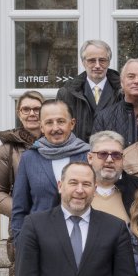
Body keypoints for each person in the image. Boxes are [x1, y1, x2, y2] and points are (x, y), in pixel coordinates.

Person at [10, 99, 91, 241]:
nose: (55, 128)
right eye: (49, 123)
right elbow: (19, 208)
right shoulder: (29, 158)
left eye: (61, 121)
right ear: (41, 127)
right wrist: (21, 243)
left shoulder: (88, 155)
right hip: (40, 240)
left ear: (72, 124)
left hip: (81, 238)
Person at [0, 90, 43, 222]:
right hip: (23, 225)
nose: (32, 114)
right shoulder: (7, 150)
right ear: (19, 113)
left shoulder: (57, 145)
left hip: (54, 223)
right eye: (26, 109)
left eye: (37, 109)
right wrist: (22, 212)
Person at [56, 39, 119, 140]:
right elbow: (59, 126)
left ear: (109, 62)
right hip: (78, 153)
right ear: (83, 62)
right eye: (92, 60)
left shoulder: (122, 91)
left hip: (112, 153)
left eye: (102, 60)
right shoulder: (66, 93)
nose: (97, 65)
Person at [91, 58, 138, 147]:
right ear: (122, 82)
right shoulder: (104, 118)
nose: (136, 81)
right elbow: (97, 153)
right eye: (131, 77)